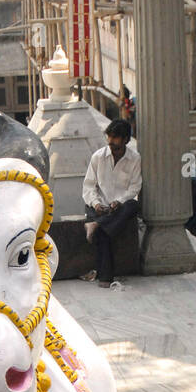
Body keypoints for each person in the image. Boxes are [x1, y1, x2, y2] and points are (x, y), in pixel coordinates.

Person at [82, 119, 142, 288]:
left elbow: (135, 187)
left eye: (116, 142)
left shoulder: (134, 159)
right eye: (110, 141)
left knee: (133, 206)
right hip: (100, 207)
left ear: (126, 140)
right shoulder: (98, 157)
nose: (112, 145)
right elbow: (88, 187)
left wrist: (119, 201)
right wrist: (95, 204)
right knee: (106, 231)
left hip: (119, 208)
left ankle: (95, 225)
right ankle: (106, 278)